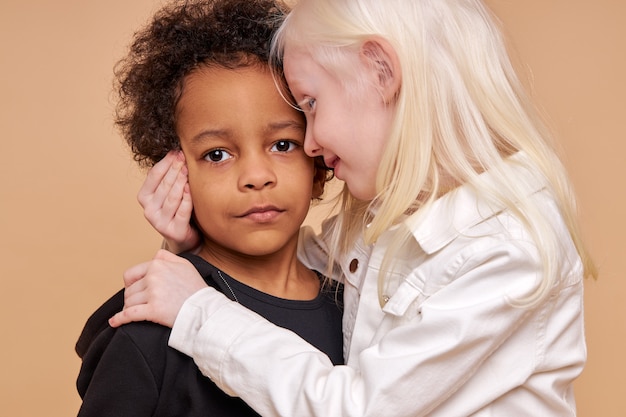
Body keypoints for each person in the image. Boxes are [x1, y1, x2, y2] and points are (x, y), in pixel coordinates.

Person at [110, 0, 597, 415]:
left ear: (381, 72)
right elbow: (292, 267)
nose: (312, 142)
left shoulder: (505, 250)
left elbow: (356, 408)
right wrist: (193, 244)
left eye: (313, 104)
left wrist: (199, 312)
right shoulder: (392, 210)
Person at [75, 1, 343, 416]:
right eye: (218, 154)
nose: (256, 175)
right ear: (177, 172)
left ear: (317, 154)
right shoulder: (151, 333)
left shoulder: (357, 311)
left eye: (282, 145)